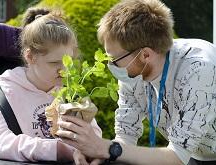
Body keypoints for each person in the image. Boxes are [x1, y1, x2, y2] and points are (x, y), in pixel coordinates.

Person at [56, 0, 216, 164]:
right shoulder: (133, 73)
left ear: (145, 55)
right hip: (192, 155)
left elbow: (176, 156)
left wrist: (105, 147)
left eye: (114, 60)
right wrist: (98, 155)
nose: (111, 66)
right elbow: (126, 136)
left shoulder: (199, 69)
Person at [0, 7, 102, 162]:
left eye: (69, 62)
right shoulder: (5, 90)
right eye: (54, 63)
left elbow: (94, 136)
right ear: (30, 56)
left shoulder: (71, 91)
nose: (64, 71)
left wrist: (90, 152)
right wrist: (56, 149)